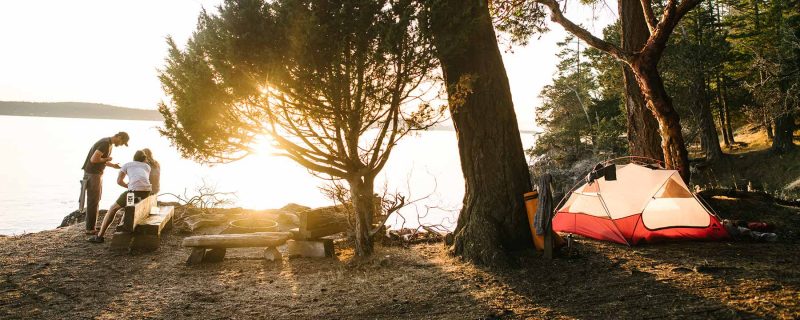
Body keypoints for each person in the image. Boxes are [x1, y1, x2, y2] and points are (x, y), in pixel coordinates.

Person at [88, 150, 151, 243]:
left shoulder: (127, 165)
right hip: (146, 192)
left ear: (134, 158)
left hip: (132, 192)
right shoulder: (147, 167)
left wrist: (128, 186)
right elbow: (142, 181)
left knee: (112, 209)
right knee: (130, 204)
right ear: (144, 159)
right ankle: (126, 223)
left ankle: (99, 236)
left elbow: (119, 181)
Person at [81, 132, 129, 235]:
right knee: (93, 200)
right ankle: (89, 229)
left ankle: (91, 226)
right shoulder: (105, 144)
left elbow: (100, 159)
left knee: (96, 198)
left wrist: (113, 165)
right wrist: (107, 159)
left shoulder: (108, 143)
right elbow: (94, 159)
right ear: (119, 137)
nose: (121, 145)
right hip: (92, 174)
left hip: (96, 173)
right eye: (122, 142)